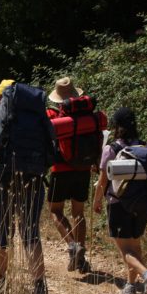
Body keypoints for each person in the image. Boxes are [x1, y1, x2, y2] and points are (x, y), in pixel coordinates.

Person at [0, 79, 50, 294]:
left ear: (0, 97)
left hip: (6, 177)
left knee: (5, 230)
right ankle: (39, 286)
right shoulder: (36, 114)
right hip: (35, 175)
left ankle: (2, 280)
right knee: (31, 231)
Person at [93, 107, 147, 294]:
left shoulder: (111, 149)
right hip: (144, 204)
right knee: (135, 245)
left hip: (118, 203)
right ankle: (131, 285)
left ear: (116, 126)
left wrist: (96, 201)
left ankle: (146, 275)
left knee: (125, 250)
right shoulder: (146, 147)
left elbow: (103, 181)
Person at [46, 77, 93, 273]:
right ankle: (81, 259)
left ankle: (73, 245)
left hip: (60, 169)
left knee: (55, 211)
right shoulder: (88, 115)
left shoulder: (51, 114)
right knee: (78, 213)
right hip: (83, 168)